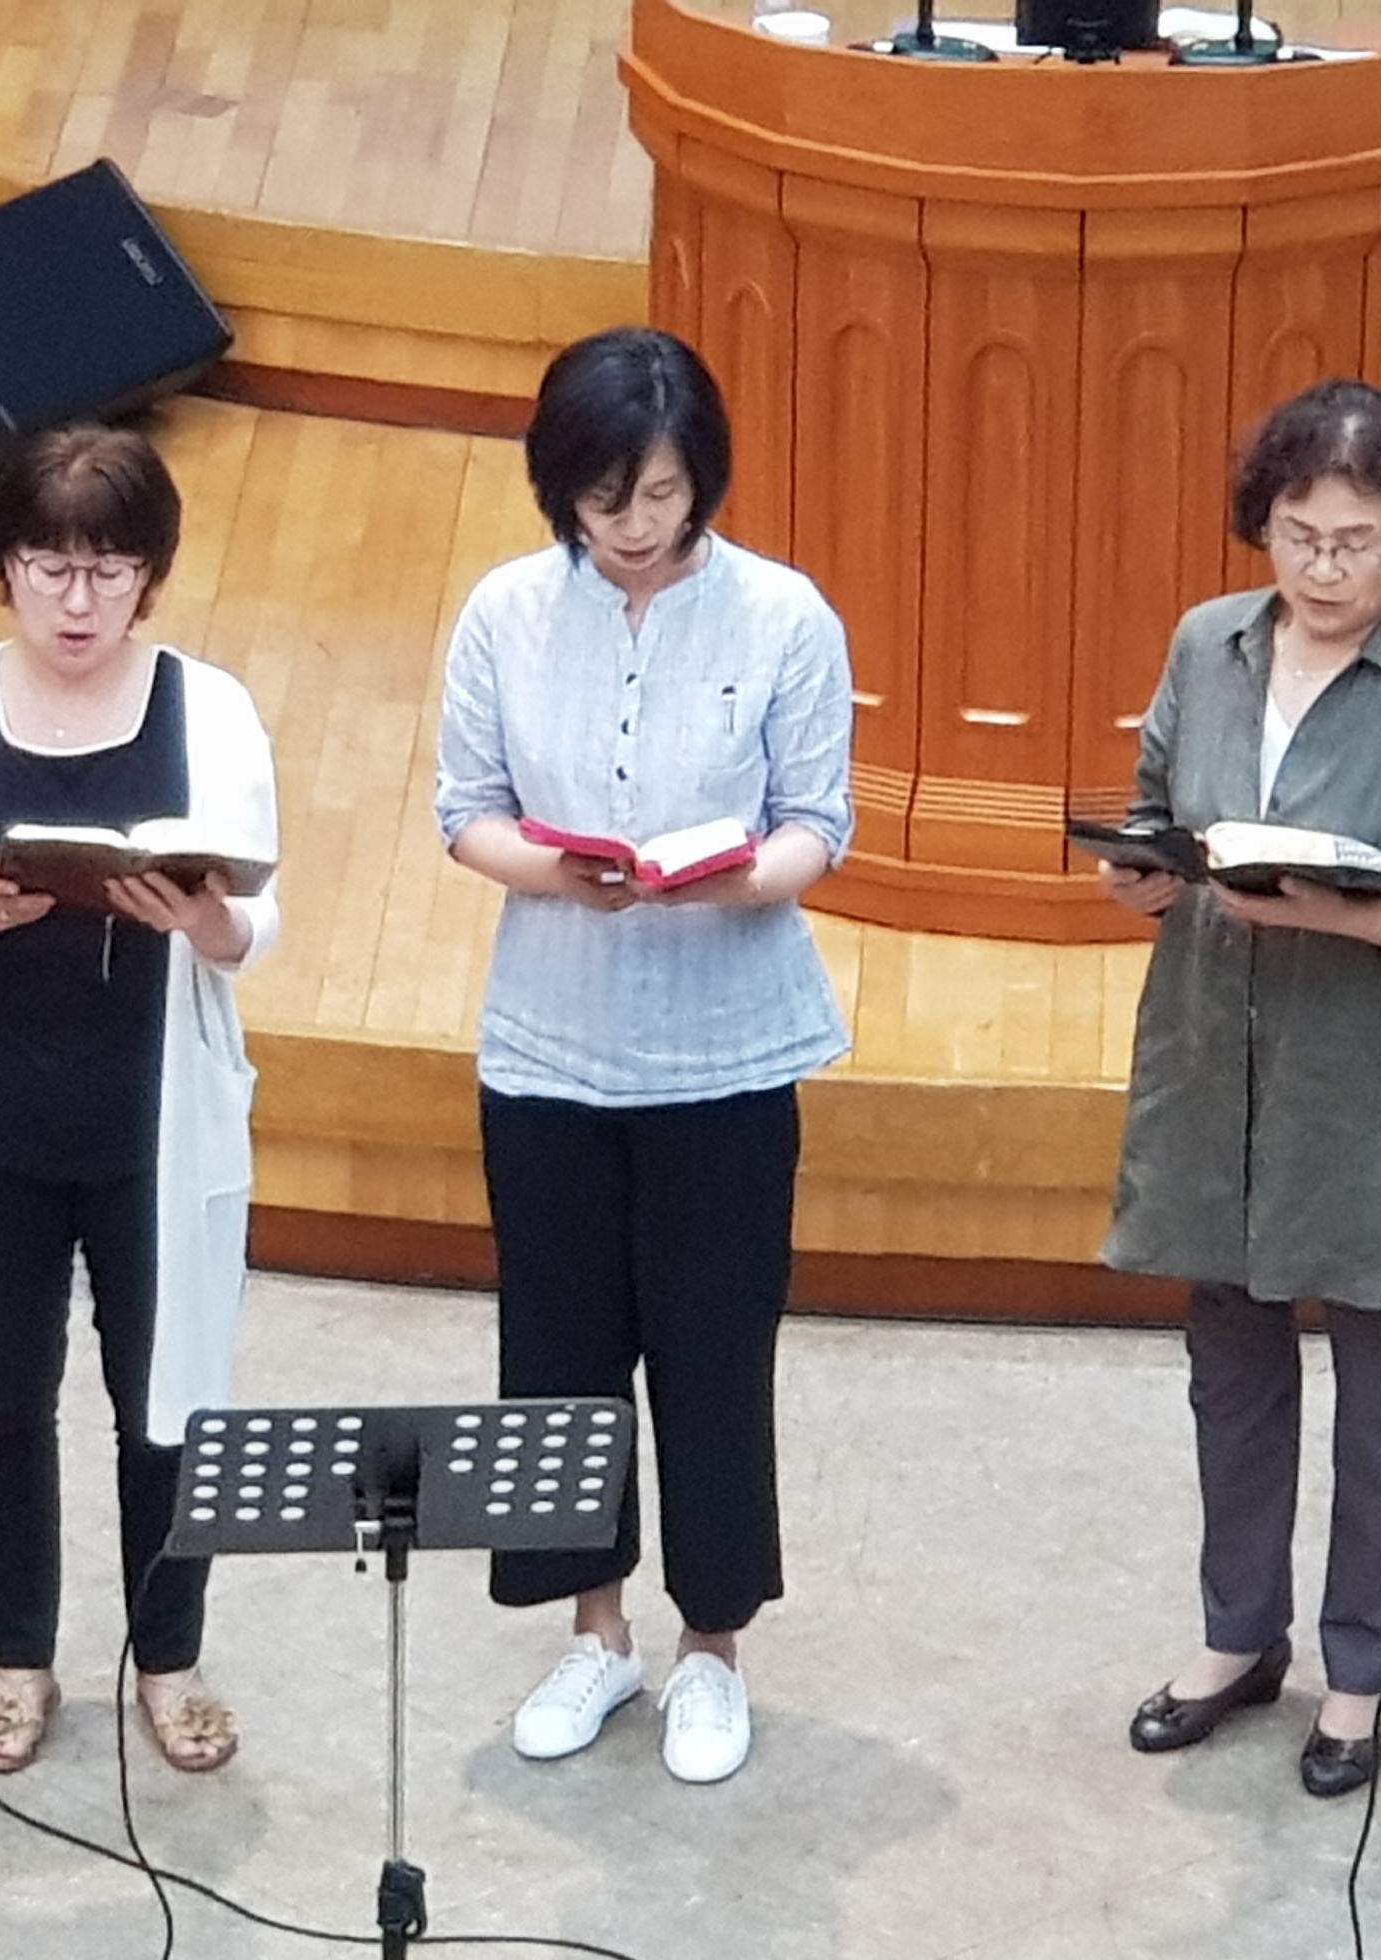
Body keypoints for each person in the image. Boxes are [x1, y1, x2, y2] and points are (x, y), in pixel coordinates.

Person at [430, 326, 853, 1787]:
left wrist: (735, 877)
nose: (634, 522)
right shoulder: (503, 611)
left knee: (714, 1355)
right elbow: (466, 809)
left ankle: (712, 1652)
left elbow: (818, 822)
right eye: (606, 497)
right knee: (558, 1354)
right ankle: (596, 1633)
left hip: (725, 1055)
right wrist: (556, 871)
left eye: (662, 494)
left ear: (703, 481)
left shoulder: (784, 616)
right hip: (548, 1049)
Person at [0, 426, 280, 1776]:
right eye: (50, 566)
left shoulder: (210, 710)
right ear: (4, 567)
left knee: (167, 1398)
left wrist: (197, 918)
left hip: (151, 1124)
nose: (78, 601)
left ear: (150, 575)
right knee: (1, 1394)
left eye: (109, 570)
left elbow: (253, 928)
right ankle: (17, 1660)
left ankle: (171, 1659)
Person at [1105, 378, 1381, 1799]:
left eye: (1356, 542)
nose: (1324, 569)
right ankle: (1238, 1636)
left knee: (1380, 1381)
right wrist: (1140, 875)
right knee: (1230, 1361)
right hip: (1217, 1060)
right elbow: (1159, 809)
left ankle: (1364, 1669)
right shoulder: (1207, 643)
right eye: (1298, 535)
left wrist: (1330, 912)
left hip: (1372, 1085)